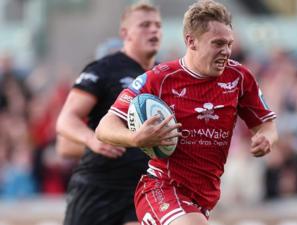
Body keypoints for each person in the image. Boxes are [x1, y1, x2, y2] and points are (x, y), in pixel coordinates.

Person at [95, 1, 278, 225]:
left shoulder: (239, 77)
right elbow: (105, 127)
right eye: (218, 43)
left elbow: (266, 124)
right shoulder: (159, 79)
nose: (226, 52)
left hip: (204, 198)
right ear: (191, 41)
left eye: (229, 44)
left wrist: (265, 138)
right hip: (161, 188)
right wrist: (135, 138)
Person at [55, 2, 162, 225]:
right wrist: (91, 139)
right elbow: (66, 120)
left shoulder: (165, 76)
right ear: (125, 33)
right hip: (99, 186)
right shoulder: (104, 69)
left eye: (157, 25)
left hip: (142, 187)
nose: (153, 30)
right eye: (144, 25)